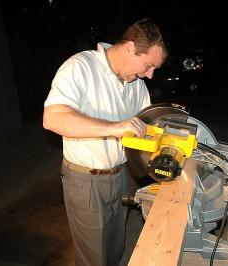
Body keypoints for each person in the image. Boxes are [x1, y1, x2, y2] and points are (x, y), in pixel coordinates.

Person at [43, 18, 168, 266]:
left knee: (114, 246)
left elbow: (148, 131)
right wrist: (114, 128)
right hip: (86, 180)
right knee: (94, 257)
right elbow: (53, 118)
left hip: (121, 175)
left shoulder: (137, 85)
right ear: (130, 48)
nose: (150, 75)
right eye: (148, 65)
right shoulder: (80, 67)